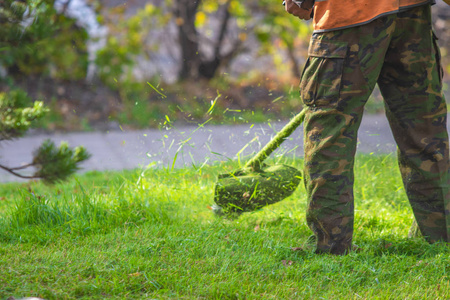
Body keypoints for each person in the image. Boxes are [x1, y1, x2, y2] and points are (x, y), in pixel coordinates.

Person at [285, 0, 450, 254]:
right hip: (412, 10)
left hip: (350, 13)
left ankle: (330, 249)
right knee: (424, 127)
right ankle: (442, 235)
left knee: (331, 132)